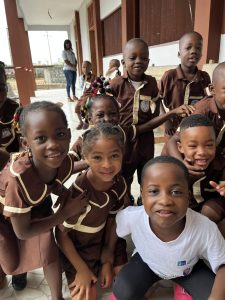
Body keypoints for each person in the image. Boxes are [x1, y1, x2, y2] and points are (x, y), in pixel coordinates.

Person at [0, 101, 87, 299]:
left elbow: (49, 180)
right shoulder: (18, 180)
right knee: (11, 262)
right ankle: (15, 272)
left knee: (49, 250)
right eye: (40, 138)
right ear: (25, 143)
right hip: (6, 213)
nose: (53, 144)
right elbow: (23, 232)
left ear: (68, 133)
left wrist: (63, 191)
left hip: (32, 204)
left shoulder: (62, 161)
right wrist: (65, 212)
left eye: (60, 135)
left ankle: (56, 297)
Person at [112, 156, 225, 300]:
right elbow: (114, 226)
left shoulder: (204, 227)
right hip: (148, 264)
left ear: (188, 197)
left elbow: (222, 263)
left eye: (176, 192)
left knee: (216, 292)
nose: (165, 201)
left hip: (188, 270)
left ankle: (181, 285)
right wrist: (109, 257)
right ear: (143, 196)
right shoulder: (133, 217)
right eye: (154, 191)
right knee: (123, 290)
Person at [109, 38, 194, 189]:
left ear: (148, 61)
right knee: (124, 175)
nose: (138, 61)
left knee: (146, 172)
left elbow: (155, 110)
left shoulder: (152, 83)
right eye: (132, 57)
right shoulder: (116, 84)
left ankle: (144, 199)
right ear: (123, 63)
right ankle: (125, 198)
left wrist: (167, 117)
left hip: (145, 138)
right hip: (123, 139)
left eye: (143, 58)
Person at [56, 123, 128, 300]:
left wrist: (108, 257)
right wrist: (81, 270)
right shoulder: (79, 192)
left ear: (122, 155)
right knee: (85, 295)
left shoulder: (120, 183)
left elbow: (113, 219)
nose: (107, 165)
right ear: (85, 157)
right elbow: (61, 235)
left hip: (105, 238)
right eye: (97, 157)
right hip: (79, 246)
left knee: (127, 284)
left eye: (114, 156)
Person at [164, 62, 225, 169]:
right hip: (179, 163)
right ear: (212, 89)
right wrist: (182, 165)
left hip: (205, 162)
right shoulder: (201, 111)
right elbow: (173, 141)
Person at [176, 114, 225, 236]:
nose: (202, 152)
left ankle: (212, 245)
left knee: (209, 212)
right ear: (180, 147)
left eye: (209, 145)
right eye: (193, 146)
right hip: (185, 211)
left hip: (211, 209)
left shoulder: (221, 165)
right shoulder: (173, 170)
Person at [159, 31, 211, 139]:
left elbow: (208, 101)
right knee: (173, 153)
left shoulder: (204, 77)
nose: (193, 51)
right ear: (179, 54)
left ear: (201, 54)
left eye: (198, 48)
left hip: (196, 128)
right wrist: (166, 120)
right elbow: (156, 99)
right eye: (188, 48)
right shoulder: (170, 76)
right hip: (173, 128)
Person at [75, 61, 96, 130]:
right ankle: (80, 122)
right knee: (77, 106)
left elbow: (96, 88)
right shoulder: (81, 78)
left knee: (86, 105)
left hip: (91, 95)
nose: (85, 69)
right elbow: (79, 88)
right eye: (83, 67)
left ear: (91, 68)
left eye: (87, 67)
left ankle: (86, 121)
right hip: (83, 95)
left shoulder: (93, 77)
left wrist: (92, 94)